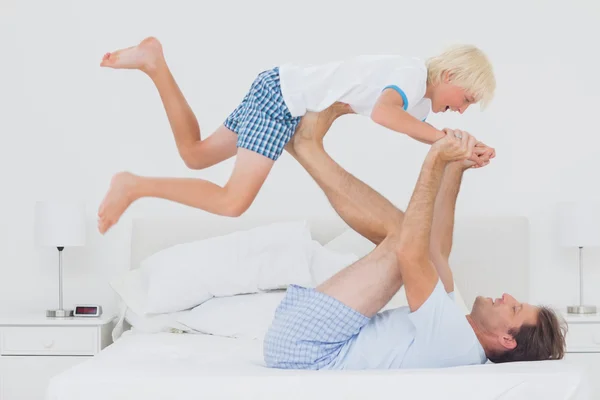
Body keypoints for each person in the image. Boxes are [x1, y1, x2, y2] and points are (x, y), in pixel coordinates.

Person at [263, 107, 567, 370]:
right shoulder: (458, 333)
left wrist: (435, 159)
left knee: (404, 239)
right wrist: (455, 167)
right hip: (307, 342)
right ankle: (304, 147)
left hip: (308, 350)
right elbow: (437, 251)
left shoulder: (455, 342)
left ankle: (306, 146)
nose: (507, 297)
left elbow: (412, 250)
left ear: (505, 340)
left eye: (514, 309)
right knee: (412, 240)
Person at [96, 37, 495, 234]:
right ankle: (134, 185)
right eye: (466, 98)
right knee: (232, 202)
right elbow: (383, 113)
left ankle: (154, 64)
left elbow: (412, 125)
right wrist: (443, 138)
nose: (462, 108)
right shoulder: (409, 73)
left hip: (276, 86)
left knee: (195, 154)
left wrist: (464, 149)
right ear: (449, 76)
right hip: (283, 101)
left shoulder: (420, 103)